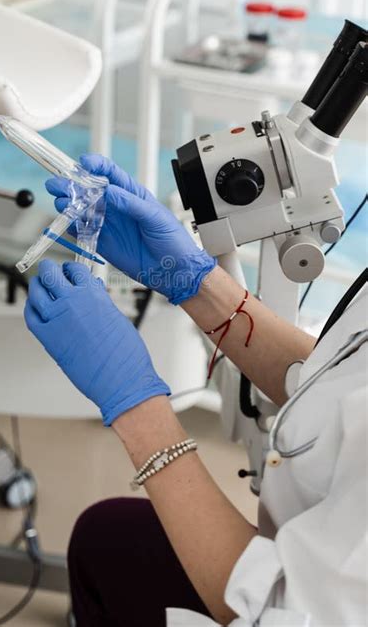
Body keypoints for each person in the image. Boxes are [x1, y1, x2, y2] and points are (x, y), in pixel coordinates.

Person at [24, 155, 367, 627]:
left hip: (295, 605)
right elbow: (347, 380)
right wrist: (194, 282)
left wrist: (135, 404)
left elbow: (278, 615)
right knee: (107, 540)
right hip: (312, 539)